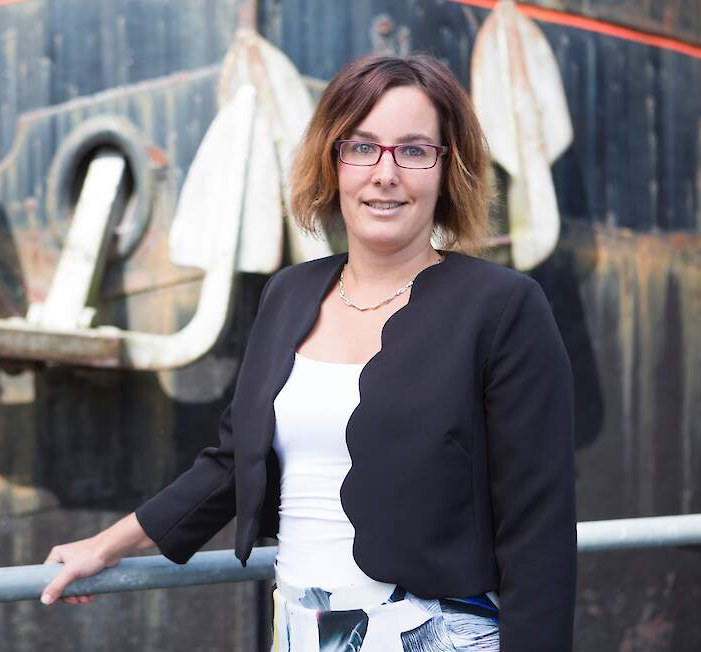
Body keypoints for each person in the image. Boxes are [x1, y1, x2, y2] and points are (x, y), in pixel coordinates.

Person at [41, 54, 576, 652]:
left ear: (448, 169)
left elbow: (539, 527)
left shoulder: (502, 307)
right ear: (333, 160)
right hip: (304, 630)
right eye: (362, 147)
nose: (385, 172)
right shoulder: (290, 293)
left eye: (415, 150)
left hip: (439, 634)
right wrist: (105, 546)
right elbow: (230, 463)